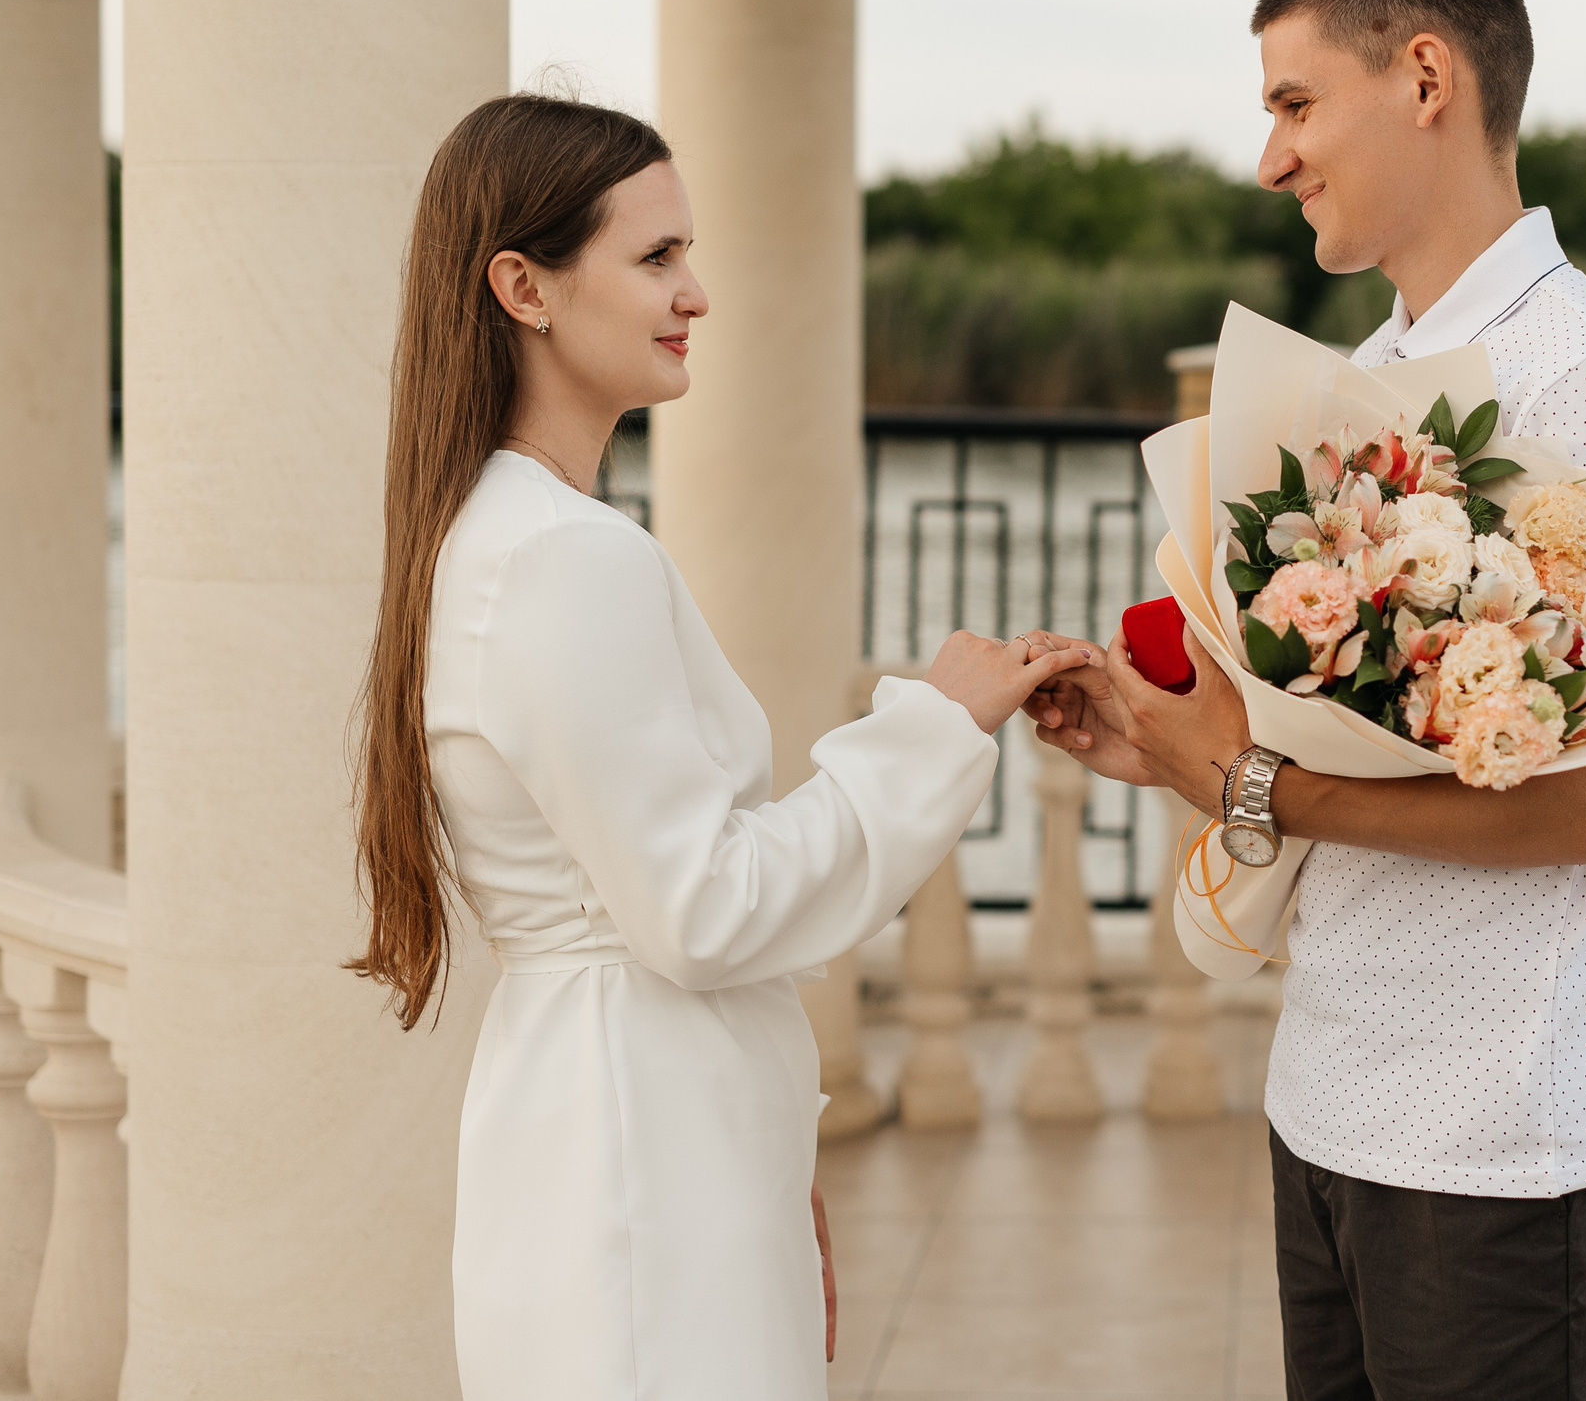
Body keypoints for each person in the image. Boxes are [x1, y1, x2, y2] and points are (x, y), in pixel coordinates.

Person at [1025, 0, 1586, 1401]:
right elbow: (1347, 745)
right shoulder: (1377, 380)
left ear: (1425, 78)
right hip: (1332, 1111)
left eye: (1292, 102)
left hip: (1506, 1150)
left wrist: (1262, 784)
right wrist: (1170, 744)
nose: (1269, 158)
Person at [348, 93, 1093, 1401]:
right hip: (640, 1153)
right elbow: (704, 906)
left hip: (621, 1125)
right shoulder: (564, 559)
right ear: (521, 286)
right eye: (655, 258)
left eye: (686, 253)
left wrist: (765, 1152)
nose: (696, 293)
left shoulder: (501, 534)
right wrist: (934, 723)